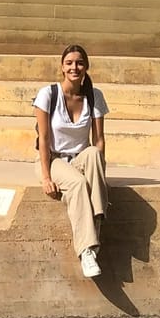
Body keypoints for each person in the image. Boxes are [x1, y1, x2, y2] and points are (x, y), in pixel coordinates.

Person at [33, 44, 109, 278]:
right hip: (53, 160)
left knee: (94, 153)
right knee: (78, 183)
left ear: (86, 67)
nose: (74, 67)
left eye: (79, 63)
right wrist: (46, 177)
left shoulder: (94, 96)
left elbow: (99, 140)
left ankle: (96, 220)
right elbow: (44, 138)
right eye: (69, 63)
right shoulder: (48, 94)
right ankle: (86, 251)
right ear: (62, 67)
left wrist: (98, 176)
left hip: (80, 159)